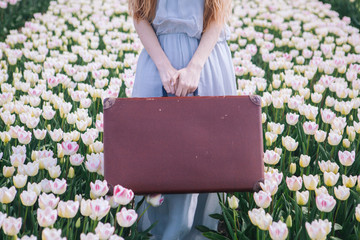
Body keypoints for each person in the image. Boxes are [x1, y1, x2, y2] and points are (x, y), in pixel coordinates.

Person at [128, 0, 236, 239]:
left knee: (205, 156)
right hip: (159, 60)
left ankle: (200, 233)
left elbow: (218, 14)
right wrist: (163, 66)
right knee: (156, 154)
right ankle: (158, 234)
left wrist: (195, 67)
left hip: (206, 60)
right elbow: (139, 14)